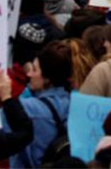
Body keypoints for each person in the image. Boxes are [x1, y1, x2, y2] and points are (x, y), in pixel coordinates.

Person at [11, 40, 72, 168]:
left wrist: (6, 99)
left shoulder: (29, 108)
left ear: (47, 78)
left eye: (34, 69)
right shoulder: (73, 103)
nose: (29, 74)